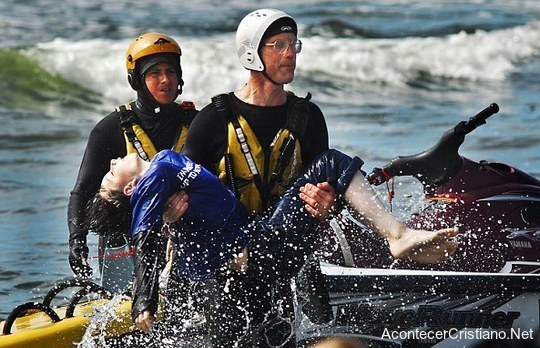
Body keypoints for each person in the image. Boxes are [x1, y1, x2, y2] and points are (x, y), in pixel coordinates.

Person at [85, 148, 458, 346]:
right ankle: (396, 237)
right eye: (109, 173)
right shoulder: (151, 182)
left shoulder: (164, 175)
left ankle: (396, 237)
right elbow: (145, 241)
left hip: (252, 250)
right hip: (247, 263)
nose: (114, 161)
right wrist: (143, 303)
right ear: (131, 190)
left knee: (329, 166)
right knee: (329, 162)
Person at [179, 8, 337, 341]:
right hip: (226, 264)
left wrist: (327, 203)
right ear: (252, 52)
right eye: (278, 44)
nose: (290, 53)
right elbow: (182, 198)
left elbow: (324, 200)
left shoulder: (308, 118)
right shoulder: (212, 121)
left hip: (279, 257)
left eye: (293, 44)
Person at [67, 32, 197, 291]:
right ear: (136, 80)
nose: (165, 80)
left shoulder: (196, 123)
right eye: (154, 73)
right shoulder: (109, 130)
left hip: (183, 237)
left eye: (171, 71)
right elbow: (82, 191)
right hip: (128, 243)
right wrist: (76, 239)